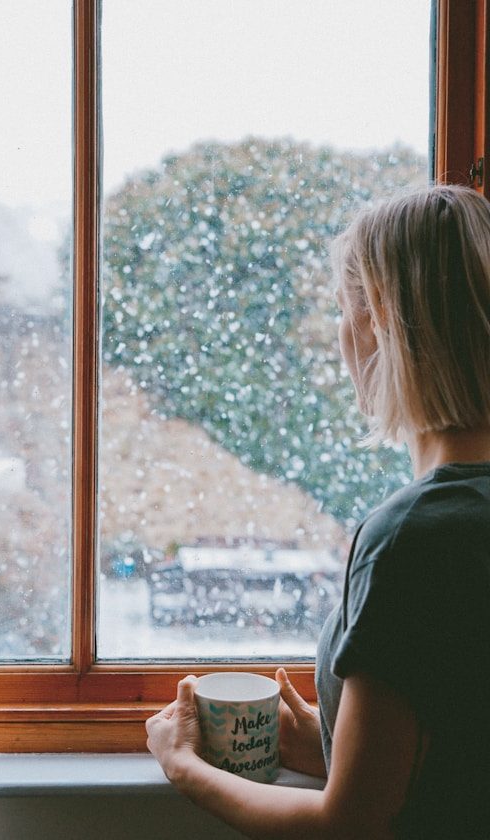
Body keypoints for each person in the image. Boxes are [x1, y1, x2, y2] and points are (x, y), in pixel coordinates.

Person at [146, 185, 490, 839]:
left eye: (342, 309)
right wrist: (330, 737)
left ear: (380, 321)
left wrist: (183, 765)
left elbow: (349, 824)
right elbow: (457, 759)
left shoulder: (411, 538)